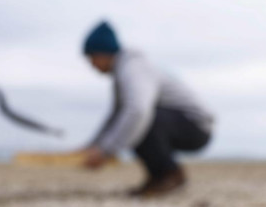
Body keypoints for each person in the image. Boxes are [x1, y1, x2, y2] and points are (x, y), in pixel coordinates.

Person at [81, 22, 214, 197]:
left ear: (103, 53)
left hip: (196, 126)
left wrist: (106, 150)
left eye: (91, 57)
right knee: (129, 124)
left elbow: (138, 110)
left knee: (139, 121)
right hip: (176, 121)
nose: (91, 65)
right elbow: (115, 117)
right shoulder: (123, 72)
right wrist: (94, 146)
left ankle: (170, 175)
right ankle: (158, 178)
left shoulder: (133, 69)